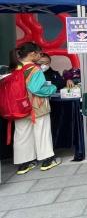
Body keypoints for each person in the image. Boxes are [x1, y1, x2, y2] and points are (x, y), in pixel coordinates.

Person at [8, 42, 61, 174]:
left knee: (22, 135)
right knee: (42, 132)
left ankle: (25, 164)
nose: (40, 56)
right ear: (32, 54)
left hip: (19, 107)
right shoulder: (34, 69)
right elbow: (36, 89)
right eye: (39, 54)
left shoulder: (15, 68)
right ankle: (47, 160)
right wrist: (52, 88)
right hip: (36, 106)